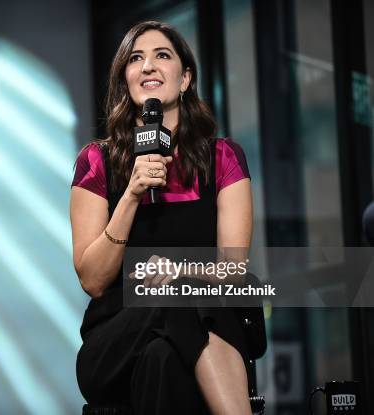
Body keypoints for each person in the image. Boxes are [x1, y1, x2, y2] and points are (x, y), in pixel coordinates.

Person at [70, 21, 262, 414]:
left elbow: (234, 269)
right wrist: (132, 194)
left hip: (189, 332)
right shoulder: (97, 161)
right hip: (115, 340)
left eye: (162, 56)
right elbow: (93, 280)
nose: (148, 66)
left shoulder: (222, 157)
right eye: (136, 58)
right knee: (179, 297)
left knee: (164, 358)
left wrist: (175, 269)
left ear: (185, 77)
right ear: (126, 79)